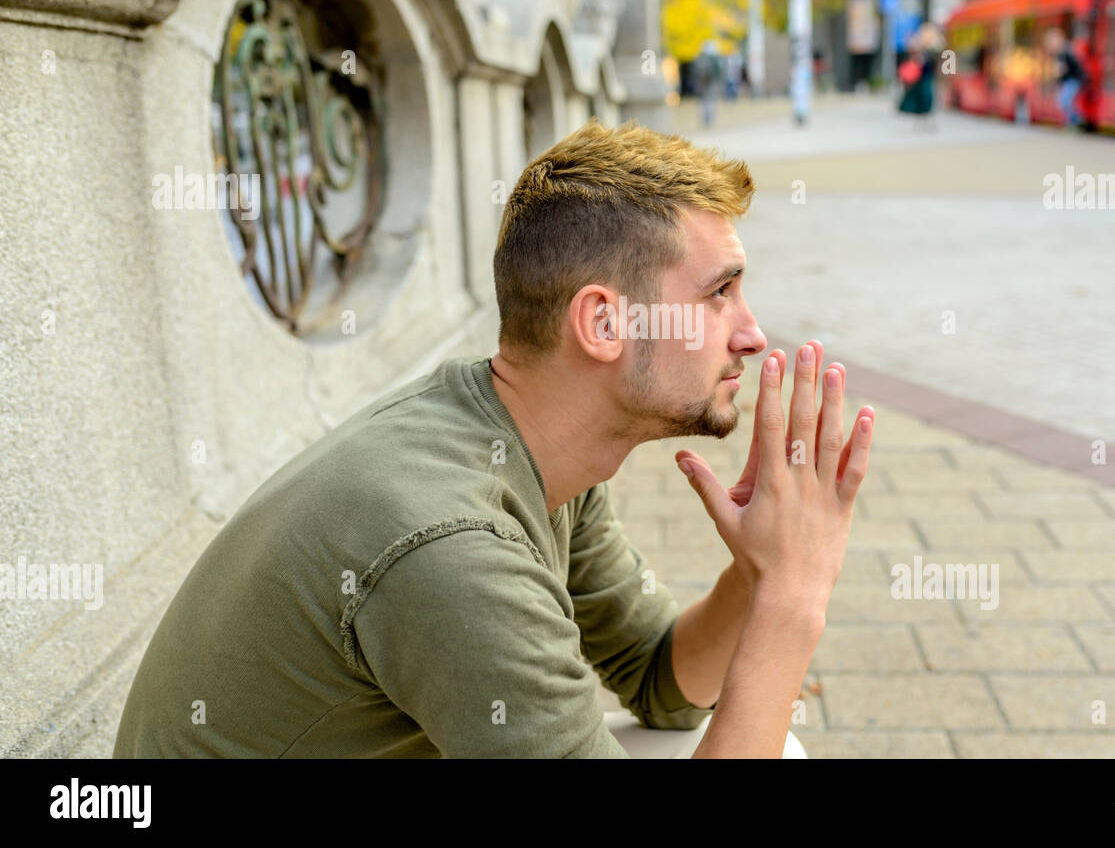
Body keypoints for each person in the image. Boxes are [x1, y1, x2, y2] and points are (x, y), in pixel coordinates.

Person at [113, 118, 876, 759]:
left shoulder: (529, 444)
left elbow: (661, 683)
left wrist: (755, 575)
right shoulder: (454, 548)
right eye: (720, 293)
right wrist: (794, 598)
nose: (752, 333)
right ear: (604, 323)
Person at [897, 23, 941, 131]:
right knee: (921, 99)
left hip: (927, 77)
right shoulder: (919, 47)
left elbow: (938, 61)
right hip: (919, 78)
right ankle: (922, 120)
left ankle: (926, 120)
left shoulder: (934, 47)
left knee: (927, 98)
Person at [1047, 27, 1086, 129]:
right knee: (1063, 101)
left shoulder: (1064, 52)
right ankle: (1072, 121)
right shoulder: (1063, 50)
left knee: (1064, 101)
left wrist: (1056, 79)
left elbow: (1061, 70)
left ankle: (1076, 120)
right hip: (1070, 79)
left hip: (1073, 79)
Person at [695, 39, 724, 127]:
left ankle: (705, 118)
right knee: (711, 99)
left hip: (702, 81)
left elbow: (695, 70)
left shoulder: (701, 56)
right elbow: (719, 70)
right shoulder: (715, 56)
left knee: (704, 100)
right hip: (712, 82)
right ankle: (710, 118)